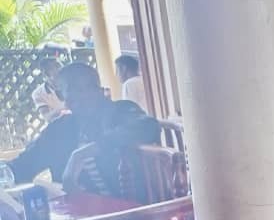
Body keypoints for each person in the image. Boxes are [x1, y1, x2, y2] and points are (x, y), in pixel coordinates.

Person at [6, 63, 159, 192]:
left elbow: (148, 126)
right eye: (73, 90)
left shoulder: (121, 111)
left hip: (127, 211)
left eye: (88, 87)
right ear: (62, 96)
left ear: (100, 90)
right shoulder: (60, 129)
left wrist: (84, 153)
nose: (83, 95)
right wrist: (5, 174)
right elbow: (22, 166)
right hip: (75, 212)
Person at [31, 58, 66, 122]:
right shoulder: (39, 93)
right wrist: (66, 107)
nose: (62, 69)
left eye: (60, 65)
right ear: (46, 74)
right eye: (57, 66)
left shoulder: (72, 82)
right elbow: (47, 117)